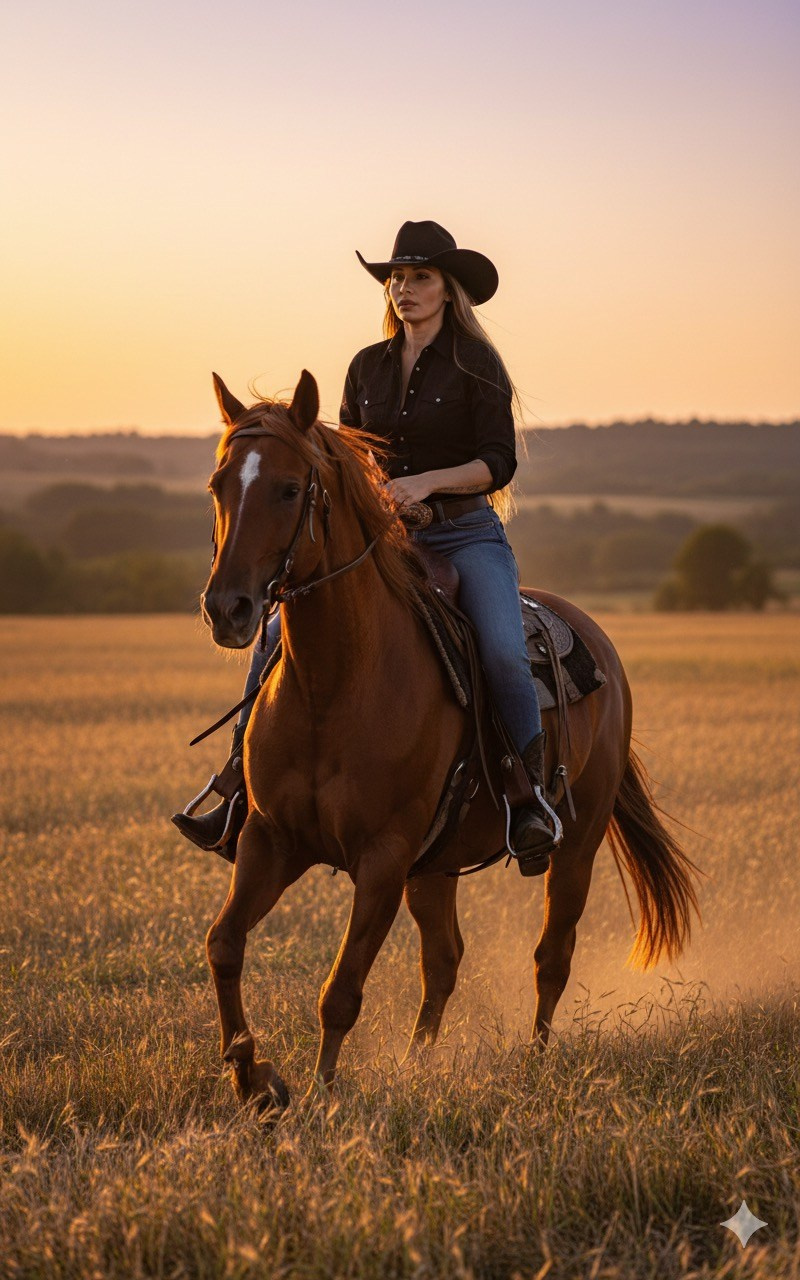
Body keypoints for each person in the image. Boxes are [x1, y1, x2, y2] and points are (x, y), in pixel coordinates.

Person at [172, 220, 559, 874]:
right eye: (397, 278)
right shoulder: (366, 367)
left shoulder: (476, 363)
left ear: (448, 290)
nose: (404, 289)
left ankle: (528, 798)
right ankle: (238, 790)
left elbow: (497, 461)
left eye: (421, 278)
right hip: (385, 539)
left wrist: (426, 483)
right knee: (273, 638)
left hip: (464, 533)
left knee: (499, 649)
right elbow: (346, 461)